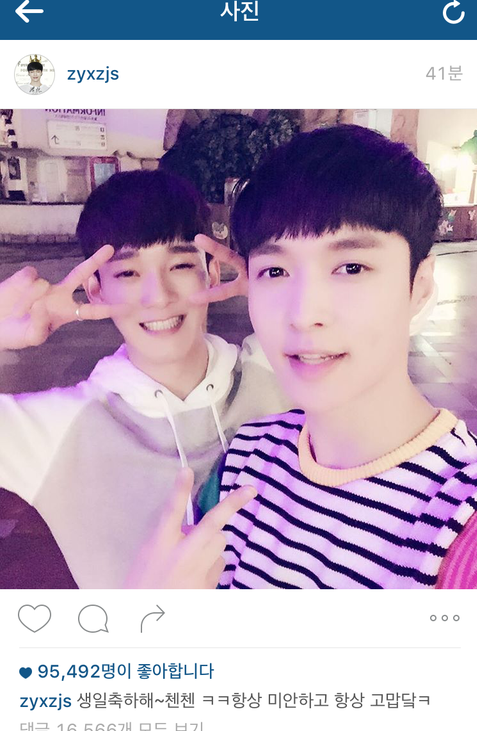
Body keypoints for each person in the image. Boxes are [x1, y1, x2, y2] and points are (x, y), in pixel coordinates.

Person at [196, 125, 477, 589]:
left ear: (420, 286)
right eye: (275, 271)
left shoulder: (462, 523)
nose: (304, 315)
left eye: (351, 267)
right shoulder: (242, 464)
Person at [0, 169, 289, 588]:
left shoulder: (283, 371)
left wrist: (277, 287)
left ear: (212, 272)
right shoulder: (55, 431)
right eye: (128, 274)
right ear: (96, 290)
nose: (159, 297)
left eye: (180, 265)